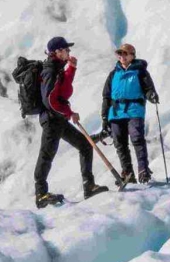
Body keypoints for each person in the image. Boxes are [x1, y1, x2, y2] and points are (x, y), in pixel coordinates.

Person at [36, 36, 109, 206]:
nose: (69, 52)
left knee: (84, 145)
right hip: (52, 120)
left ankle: (89, 186)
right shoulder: (50, 70)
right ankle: (41, 195)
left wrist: (72, 68)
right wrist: (69, 113)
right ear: (57, 52)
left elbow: (63, 89)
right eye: (66, 50)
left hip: (58, 119)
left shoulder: (57, 68)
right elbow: (51, 100)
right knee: (46, 155)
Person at [99, 43, 159, 184]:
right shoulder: (114, 74)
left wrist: (151, 95)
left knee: (137, 138)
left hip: (134, 109)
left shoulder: (140, 71)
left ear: (132, 55)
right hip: (116, 112)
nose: (122, 56)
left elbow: (148, 88)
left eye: (125, 53)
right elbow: (106, 96)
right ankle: (128, 172)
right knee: (120, 143)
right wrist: (104, 117)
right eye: (120, 54)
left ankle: (143, 169)